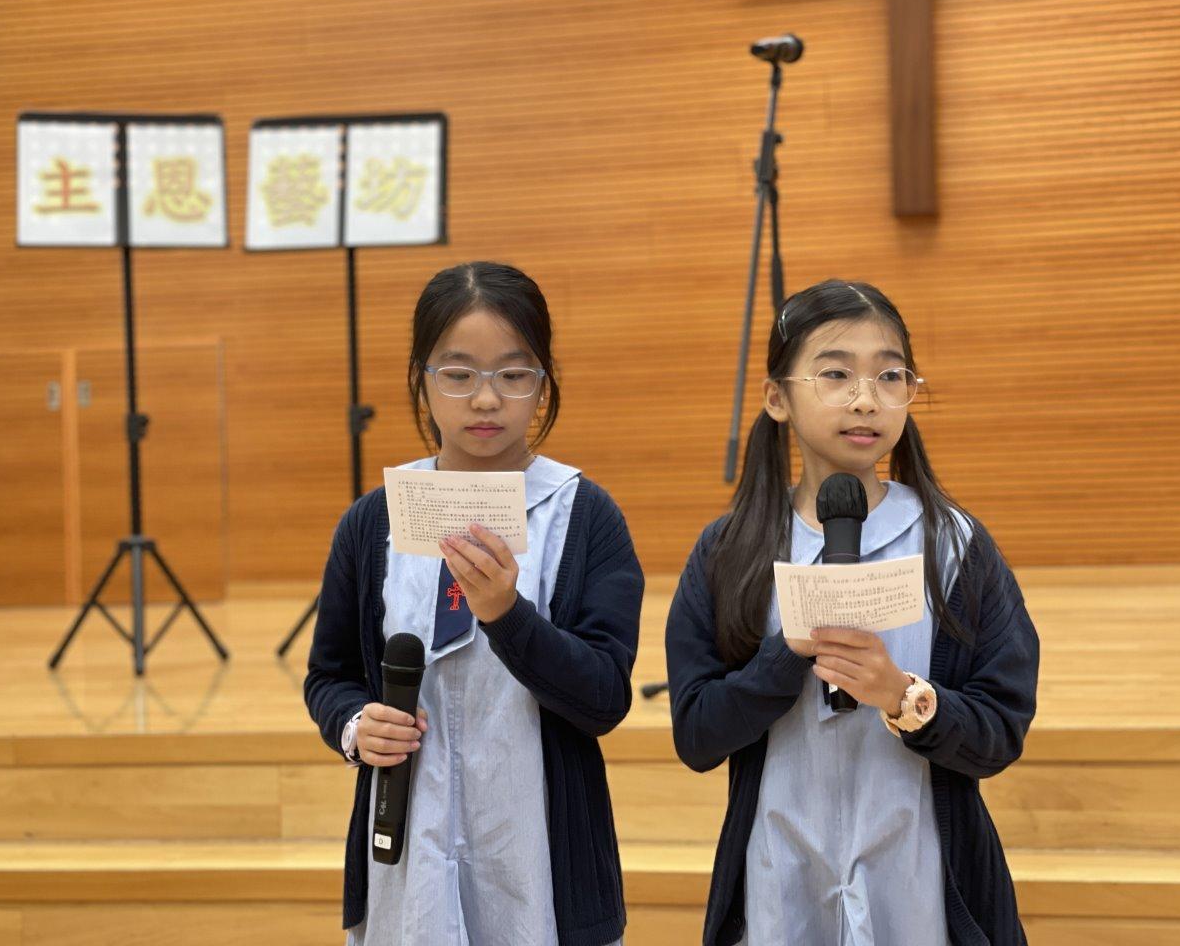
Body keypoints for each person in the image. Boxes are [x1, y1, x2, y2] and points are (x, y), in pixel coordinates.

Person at [665, 279, 1039, 946]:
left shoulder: (955, 546)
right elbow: (697, 735)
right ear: (777, 397)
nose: (866, 399)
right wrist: (785, 657)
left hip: (920, 884)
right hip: (780, 877)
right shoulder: (729, 551)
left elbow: (1001, 730)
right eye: (836, 374)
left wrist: (904, 697)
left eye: (890, 376)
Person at [305, 261, 643, 946]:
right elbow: (329, 677)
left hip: (539, 853)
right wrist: (355, 726)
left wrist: (509, 617)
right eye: (458, 374)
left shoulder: (584, 515)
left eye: (513, 375)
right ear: (421, 380)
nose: (486, 400)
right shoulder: (373, 522)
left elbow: (604, 699)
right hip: (408, 846)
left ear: (543, 382)